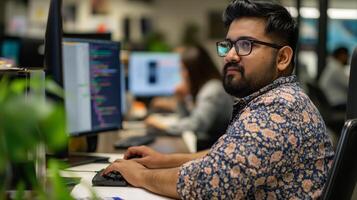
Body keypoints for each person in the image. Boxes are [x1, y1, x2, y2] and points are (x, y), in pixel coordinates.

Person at [103, 0, 334, 199]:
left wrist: (141, 176)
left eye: (246, 45)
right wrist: (163, 160)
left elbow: (212, 183)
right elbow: (227, 155)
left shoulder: (280, 108)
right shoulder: (273, 100)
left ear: (282, 58)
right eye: (229, 45)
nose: (230, 56)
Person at [145, 44, 233, 148]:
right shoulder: (202, 88)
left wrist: (163, 125)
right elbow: (185, 119)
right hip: (207, 144)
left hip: (213, 147)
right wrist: (181, 99)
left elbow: (196, 125)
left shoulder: (212, 90)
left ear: (194, 70)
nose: (182, 74)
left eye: (183, 69)